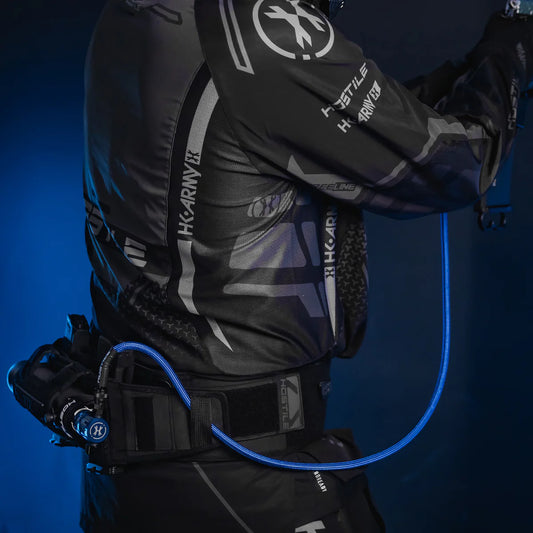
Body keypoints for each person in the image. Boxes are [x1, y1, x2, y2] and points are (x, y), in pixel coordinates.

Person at [80, 0, 533, 531]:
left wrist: (466, 72)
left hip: (129, 473)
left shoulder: (135, 15)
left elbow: (307, 120)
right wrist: (513, 45)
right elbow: (453, 162)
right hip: (243, 472)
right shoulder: (260, 26)